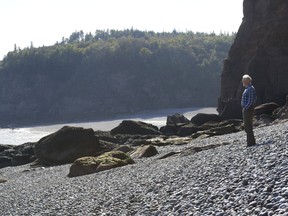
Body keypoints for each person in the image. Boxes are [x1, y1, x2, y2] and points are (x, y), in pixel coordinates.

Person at [241, 74, 257, 147]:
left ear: (246, 81)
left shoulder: (250, 89)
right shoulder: (248, 88)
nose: (242, 81)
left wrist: (246, 108)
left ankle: (250, 143)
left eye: (243, 80)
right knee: (247, 126)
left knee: (248, 126)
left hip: (248, 109)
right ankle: (250, 141)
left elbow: (251, 100)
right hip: (247, 109)